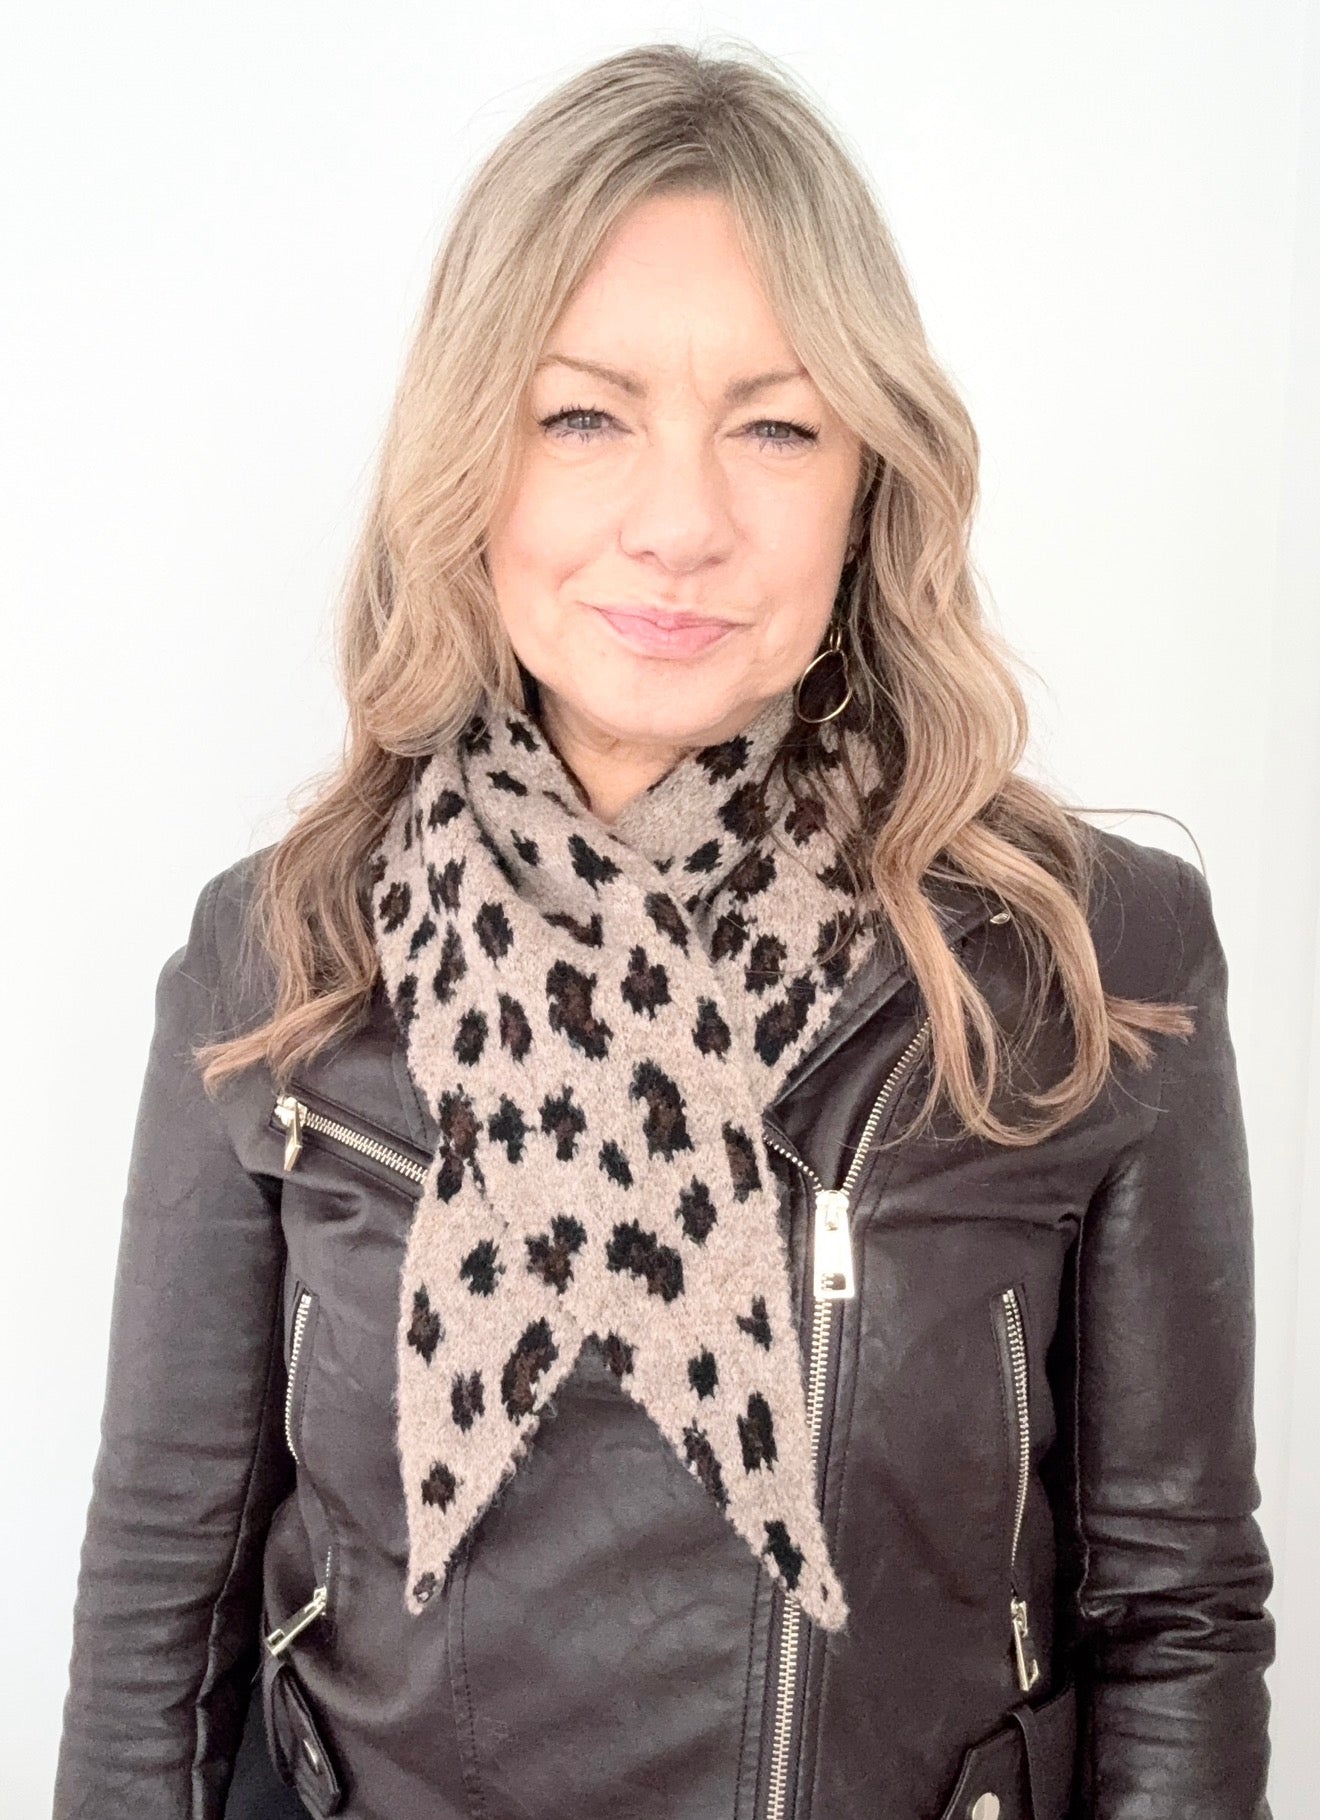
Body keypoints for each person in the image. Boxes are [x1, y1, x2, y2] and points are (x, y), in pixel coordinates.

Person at [52, 39, 1275, 1820]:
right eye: (585, 415)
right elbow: (157, 1621)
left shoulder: (1085, 957)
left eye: (776, 425)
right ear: (474, 460)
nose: (682, 522)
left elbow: (1175, 1616)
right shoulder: (280, 965)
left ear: (871, 478)